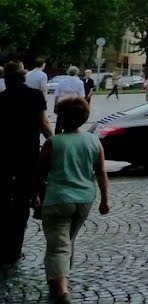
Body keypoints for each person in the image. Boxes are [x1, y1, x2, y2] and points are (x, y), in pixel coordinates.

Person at [33, 96, 110, 304]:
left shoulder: (53, 143)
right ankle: (57, 280)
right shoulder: (93, 141)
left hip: (58, 199)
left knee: (58, 244)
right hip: (85, 199)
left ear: (62, 119)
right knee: (69, 240)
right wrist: (104, 200)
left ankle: (62, 290)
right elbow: (101, 172)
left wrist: (35, 196)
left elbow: (39, 174)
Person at [0, 61, 53, 266]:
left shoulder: (1, 99)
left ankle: (3, 244)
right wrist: (53, 141)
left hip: (4, 156)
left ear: (6, 79)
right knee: (23, 200)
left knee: (4, 200)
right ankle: (15, 248)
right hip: (28, 154)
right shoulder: (34, 96)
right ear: (23, 77)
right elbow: (43, 123)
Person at [53, 68, 86, 133]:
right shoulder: (79, 82)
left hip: (63, 102)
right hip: (74, 104)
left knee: (59, 121)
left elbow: (56, 95)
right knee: (73, 121)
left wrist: (55, 105)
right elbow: (82, 96)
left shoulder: (62, 82)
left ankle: (57, 135)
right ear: (77, 73)